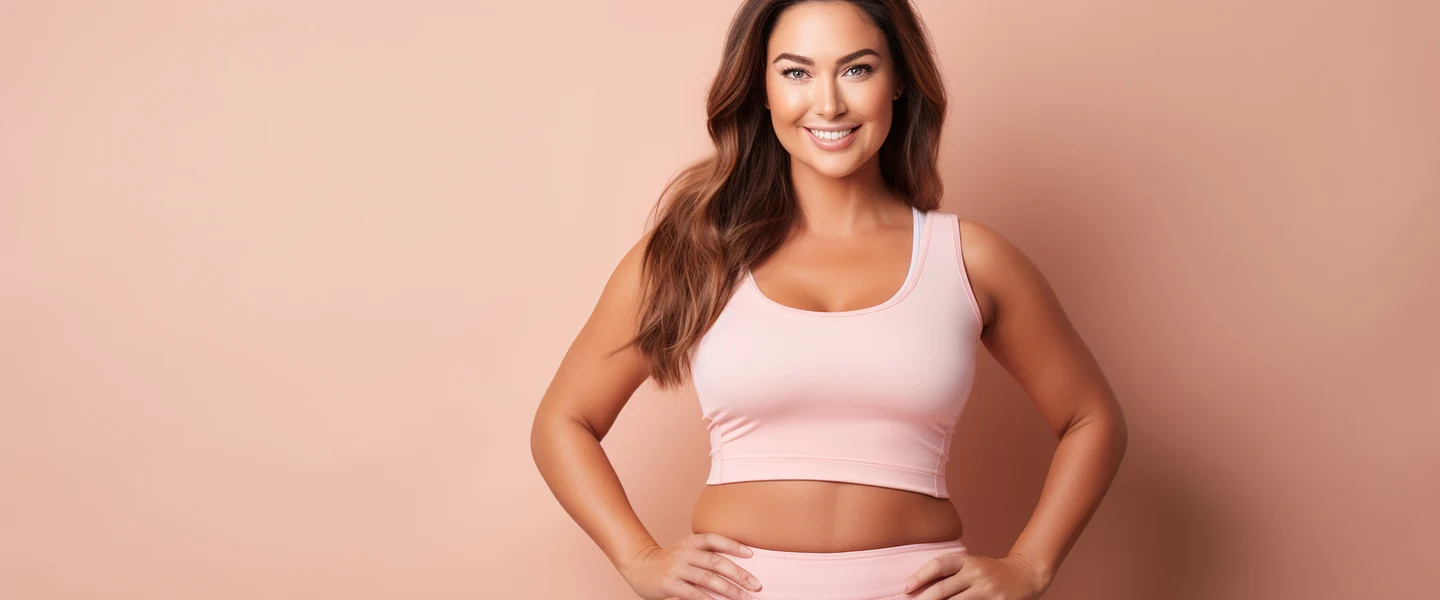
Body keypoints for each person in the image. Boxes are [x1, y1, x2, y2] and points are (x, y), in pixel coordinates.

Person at [530, 1, 1128, 598]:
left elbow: (1092, 419)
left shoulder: (970, 259)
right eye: (796, 72)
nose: (828, 103)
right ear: (761, 90)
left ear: (898, 82)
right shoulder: (695, 252)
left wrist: (1030, 565)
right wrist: (638, 558)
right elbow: (563, 421)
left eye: (857, 69)